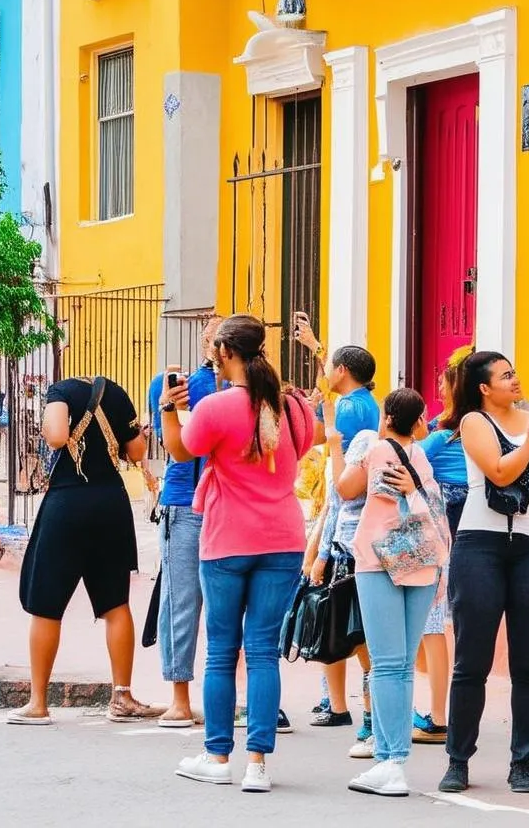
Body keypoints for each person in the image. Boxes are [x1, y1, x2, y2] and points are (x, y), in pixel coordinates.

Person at [160, 314, 314, 792]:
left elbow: (181, 452)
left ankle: (217, 755)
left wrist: (168, 408)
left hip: (227, 539)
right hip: (283, 538)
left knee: (222, 653)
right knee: (263, 651)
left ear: (226, 352)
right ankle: (258, 767)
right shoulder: (293, 407)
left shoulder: (215, 407)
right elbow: (306, 446)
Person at [439, 351, 529, 796]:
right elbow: (498, 471)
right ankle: (458, 759)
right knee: (472, 660)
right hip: (481, 544)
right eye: (506, 375)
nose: (516, 380)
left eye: (515, 372)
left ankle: (523, 764)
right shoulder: (475, 422)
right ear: (484, 388)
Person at [10, 374, 161, 726]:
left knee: (47, 605)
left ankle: (38, 703)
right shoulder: (118, 393)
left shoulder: (59, 392)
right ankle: (122, 696)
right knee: (115, 604)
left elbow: (57, 435)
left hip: (67, 504)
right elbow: (136, 451)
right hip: (110, 503)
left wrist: (54, 424)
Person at [336, 388, 450, 797]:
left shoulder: (377, 449)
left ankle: (391, 761)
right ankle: (391, 759)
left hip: (380, 560)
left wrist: (339, 448)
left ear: (386, 417)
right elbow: (429, 501)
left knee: (385, 664)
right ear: (419, 422)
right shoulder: (419, 457)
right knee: (401, 664)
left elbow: (345, 490)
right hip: (421, 560)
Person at [148, 316, 223, 730]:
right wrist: (172, 404)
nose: (217, 348)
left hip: (226, 503)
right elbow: (173, 445)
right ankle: (179, 697)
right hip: (184, 501)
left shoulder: (242, 389)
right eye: (212, 339)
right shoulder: (173, 386)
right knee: (181, 601)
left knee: (228, 606)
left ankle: (227, 695)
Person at [309, 345, 380, 751]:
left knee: (347, 624)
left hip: (346, 530)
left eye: (331, 368)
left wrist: (318, 549)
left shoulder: (349, 413)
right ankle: (346, 705)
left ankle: (354, 710)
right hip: (352, 526)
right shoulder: (367, 404)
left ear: (342, 371)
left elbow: (341, 492)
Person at [414, 347, 473, 744]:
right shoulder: (472, 426)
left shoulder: (441, 433)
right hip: (468, 517)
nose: (438, 386)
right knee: (438, 620)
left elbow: (411, 462)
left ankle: (438, 714)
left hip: (444, 519)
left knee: (434, 620)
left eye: (444, 381)